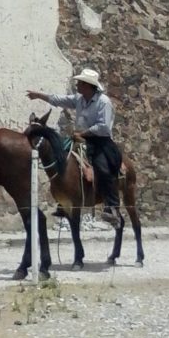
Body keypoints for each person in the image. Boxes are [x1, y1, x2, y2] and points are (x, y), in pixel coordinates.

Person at [26, 68, 123, 227]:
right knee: (61, 159)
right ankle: (63, 202)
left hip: (100, 141)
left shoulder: (103, 102)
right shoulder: (79, 99)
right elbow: (59, 99)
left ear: (88, 86)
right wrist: (39, 95)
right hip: (80, 139)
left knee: (103, 168)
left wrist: (84, 133)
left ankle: (111, 206)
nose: (77, 84)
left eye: (80, 83)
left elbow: (103, 127)